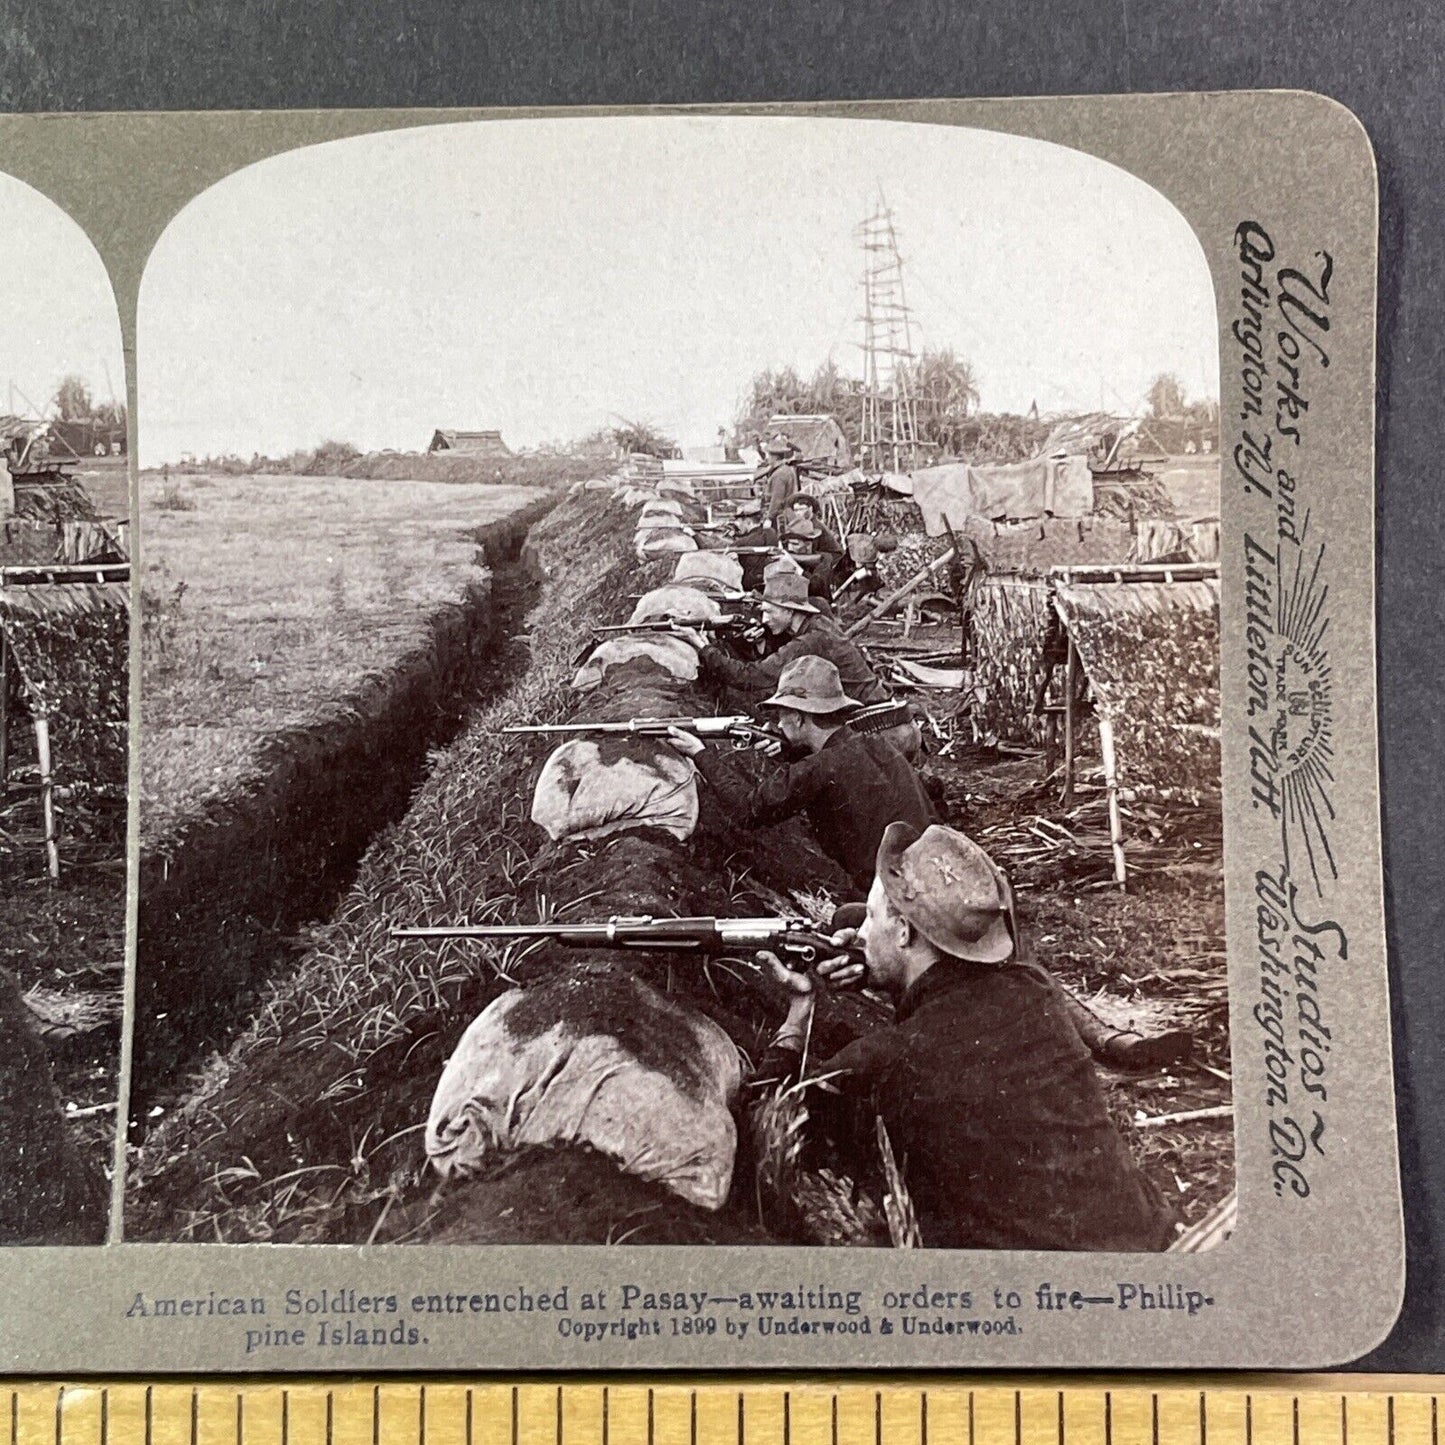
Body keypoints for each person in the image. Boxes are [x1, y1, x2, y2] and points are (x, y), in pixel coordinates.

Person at [751, 822, 1179, 1252]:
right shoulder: (1033, 989)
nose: (860, 932)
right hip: (1143, 1241)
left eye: (871, 918)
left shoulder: (882, 1063)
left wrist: (799, 1012)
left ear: (903, 932)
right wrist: (886, 969)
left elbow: (767, 1130)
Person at [666, 656, 934, 890]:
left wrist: (700, 754)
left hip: (895, 892)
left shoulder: (818, 767)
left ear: (799, 717)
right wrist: (790, 752)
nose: (778, 723)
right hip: (929, 870)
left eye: (782, 715)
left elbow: (748, 810)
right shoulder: (872, 742)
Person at [688, 572, 921, 759]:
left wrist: (702, 647)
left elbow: (752, 678)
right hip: (891, 723)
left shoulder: (812, 640)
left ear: (790, 610)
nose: (765, 619)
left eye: (769, 612)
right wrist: (761, 640)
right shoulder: (817, 624)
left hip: (880, 733)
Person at [779, 495, 844, 599]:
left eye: (801, 509)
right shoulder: (803, 525)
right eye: (795, 510)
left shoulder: (814, 526)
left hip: (835, 559)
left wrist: (794, 564)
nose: (798, 513)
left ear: (810, 509)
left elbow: (811, 553)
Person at [729, 499, 780, 592]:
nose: (739, 525)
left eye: (740, 522)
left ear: (748, 521)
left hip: (749, 586)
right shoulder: (771, 532)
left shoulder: (741, 543)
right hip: (772, 582)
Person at [758, 438, 800, 523]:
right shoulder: (788, 469)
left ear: (775, 457)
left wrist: (769, 518)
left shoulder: (779, 474)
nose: (766, 458)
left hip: (779, 516)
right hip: (787, 512)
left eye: (768, 455)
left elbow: (777, 499)